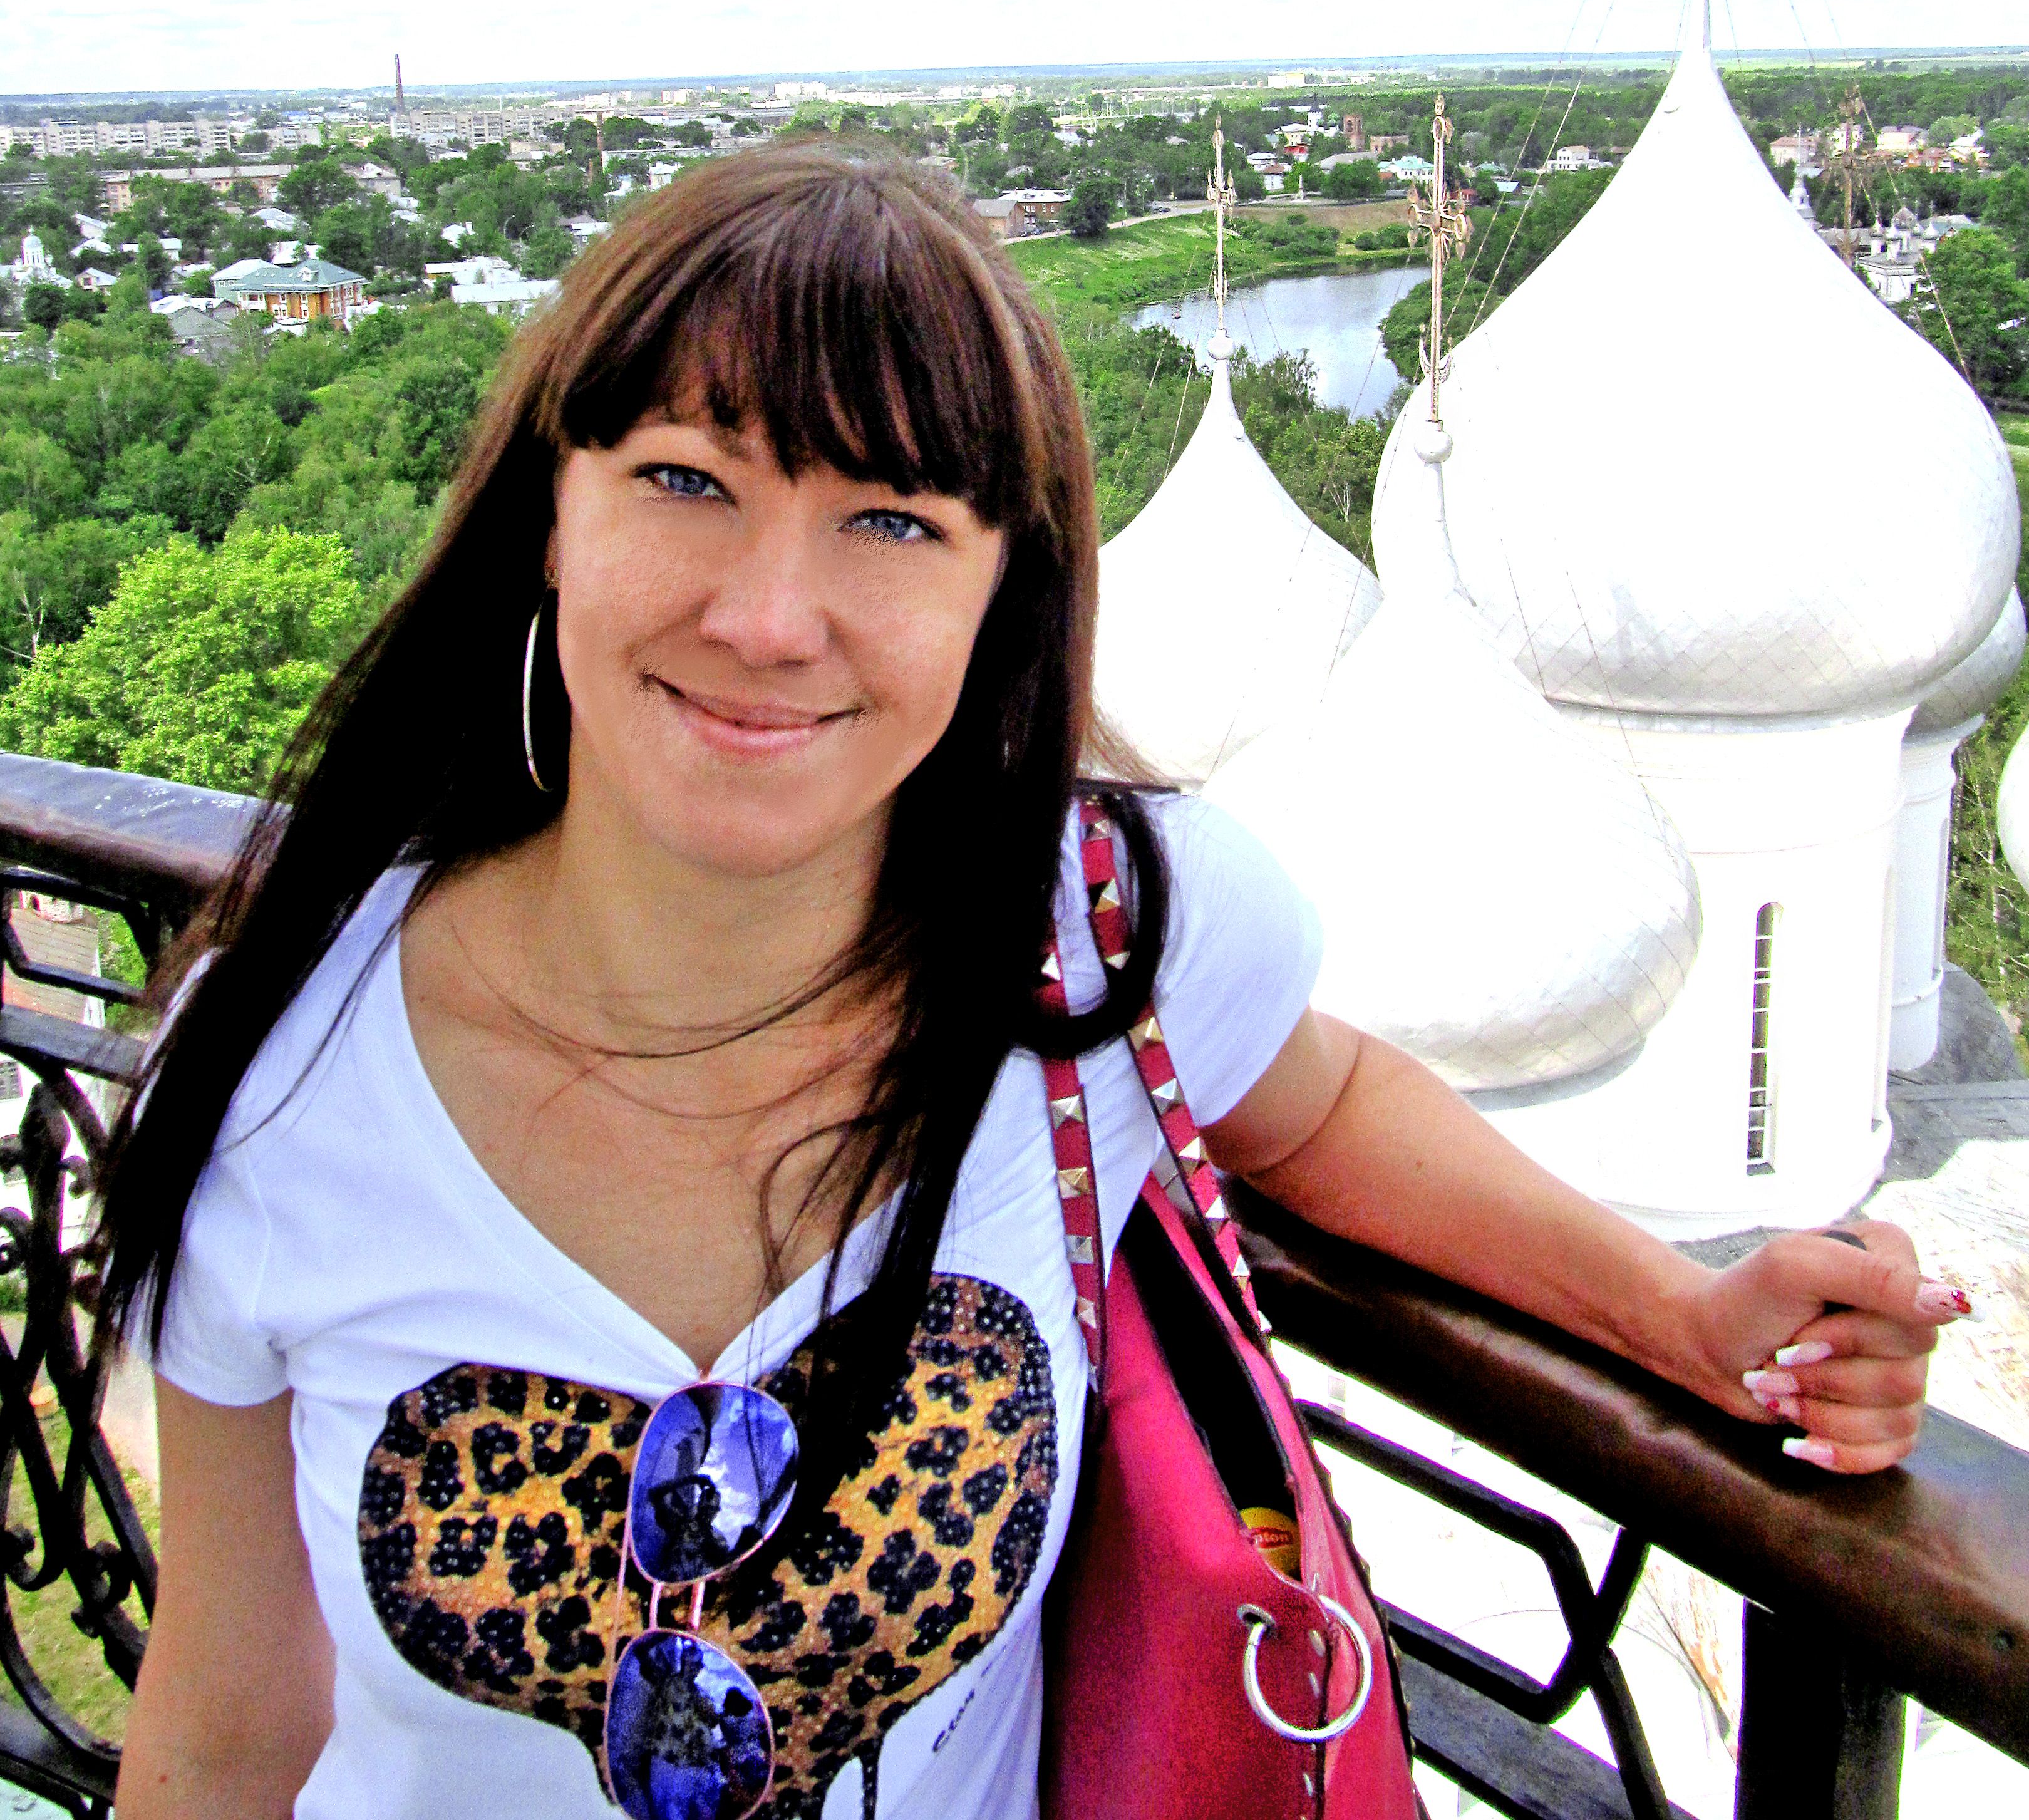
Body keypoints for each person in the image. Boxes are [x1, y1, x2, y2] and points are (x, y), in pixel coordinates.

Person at [104, 146, 1957, 1820]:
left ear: (1006, 592)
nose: (768, 618)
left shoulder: (1099, 939)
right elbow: (228, 1725)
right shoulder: (287, 1063)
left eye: (893, 521)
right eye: (683, 480)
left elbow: (1318, 1106)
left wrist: (1676, 1316)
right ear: (550, 517)